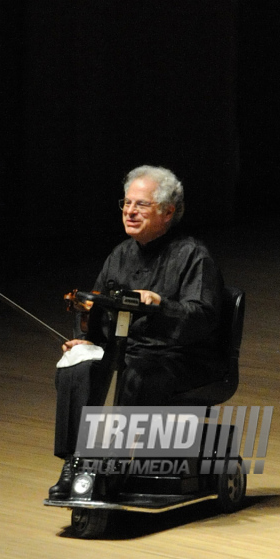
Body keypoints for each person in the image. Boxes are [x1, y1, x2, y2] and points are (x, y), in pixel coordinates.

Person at [49, 165, 224, 498]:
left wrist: (160, 305)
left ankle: (115, 465)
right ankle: (75, 461)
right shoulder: (121, 255)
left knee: (136, 375)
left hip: (179, 355)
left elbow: (202, 319)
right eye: (127, 203)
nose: (130, 211)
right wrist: (85, 339)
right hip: (127, 348)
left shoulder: (193, 256)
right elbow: (97, 307)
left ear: (167, 211)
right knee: (77, 367)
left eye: (141, 204)